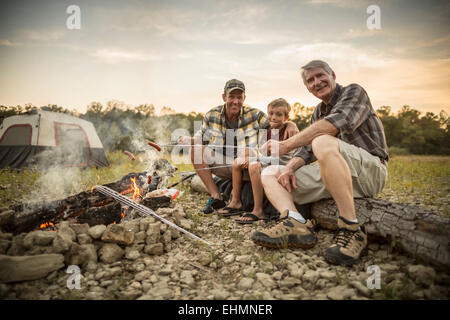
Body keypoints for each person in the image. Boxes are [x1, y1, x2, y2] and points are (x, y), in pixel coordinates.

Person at [252, 60, 389, 266]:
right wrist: (289, 168)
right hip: (333, 174)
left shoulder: (353, 92)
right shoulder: (318, 111)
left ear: (332, 74)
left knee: (322, 140)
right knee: (271, 172)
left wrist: (286, 145)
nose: (316, 82)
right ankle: (296, 223)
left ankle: (351, 228)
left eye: (320, 76)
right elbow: (307, 150)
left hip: (369, 172)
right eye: (310, 80)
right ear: (307, 87)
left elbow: (333, 126)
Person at [178, 79, 298, 214]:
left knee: (248, 157)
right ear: (224, 97)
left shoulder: (255, 114)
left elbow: (276, 122)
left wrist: (291, 124)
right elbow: (201, 138)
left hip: (247, 166)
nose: (235, 101)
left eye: (239, 97)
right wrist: (190, 139)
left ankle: (243, 204)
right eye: (231, 97)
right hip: (224, 165)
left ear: (244, 98)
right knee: (196, 149)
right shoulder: (212, 115)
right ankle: (216, 196)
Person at [218, 98, 299, 223]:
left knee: (254, 166)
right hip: (267, 163)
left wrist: (255, 159)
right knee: (238, 162)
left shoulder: (288, 131)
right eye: (271, 113)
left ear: (286, 117)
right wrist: (250, 156)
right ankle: (235, 202)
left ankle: (258, 210)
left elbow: (279, 158)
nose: (273, 117)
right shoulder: (266, 131)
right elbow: (262, 151)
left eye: (279, 114)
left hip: (281, 165)